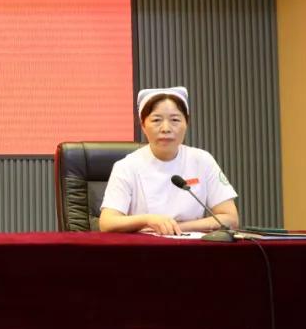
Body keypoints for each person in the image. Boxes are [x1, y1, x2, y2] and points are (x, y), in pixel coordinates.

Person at [99, 86, 239, 236]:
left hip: (192, 245)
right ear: (143, 125)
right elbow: (107, 222)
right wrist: (148, 220)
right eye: (156, 120)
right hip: (144, 246)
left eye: (175, 120)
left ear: (186, 123)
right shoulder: (126, 166)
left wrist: (177, 228)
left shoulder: (202, 161)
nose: (166, 128)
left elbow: (230, 219)